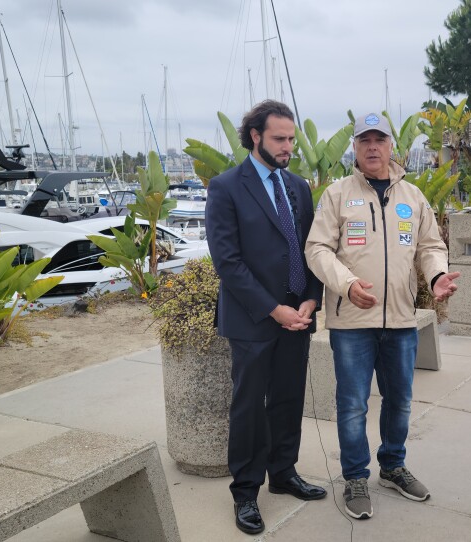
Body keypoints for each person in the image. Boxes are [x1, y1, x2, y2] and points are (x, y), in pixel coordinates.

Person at [305, 112, 460, 520]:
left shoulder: (412, 196)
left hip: (402, 321)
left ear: (392, 147)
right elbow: (317, 249)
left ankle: (392, 467)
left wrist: (438, 275)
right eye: (364, 140)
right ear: (354, 148)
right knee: (353, 404)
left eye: (380, 140)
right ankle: (355, 476)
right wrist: (346, 283)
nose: (372, 147)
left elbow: (430, 246)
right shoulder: (337, 195)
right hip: (352, 324)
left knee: (400, 402)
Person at [205, 100, 326, 535]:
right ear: (255, 136)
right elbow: (228, 262)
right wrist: (274, 309)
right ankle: (245, 493)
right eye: (279, 139)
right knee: (249, 408)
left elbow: (312, 250)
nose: (288, 147)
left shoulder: (298, 186)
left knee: (289, 398)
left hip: (298, 315)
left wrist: (311, 300)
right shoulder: (226, 187)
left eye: (292, 139)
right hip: (254, 319)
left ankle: (284, 473)